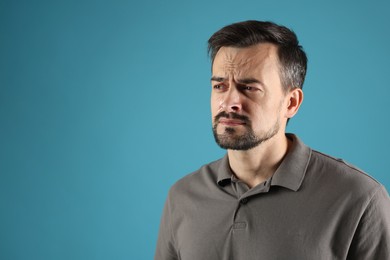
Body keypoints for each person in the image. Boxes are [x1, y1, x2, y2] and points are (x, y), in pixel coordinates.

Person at [155, 20, 390, 260]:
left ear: (291, 103)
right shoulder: (183, 196)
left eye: (248, 87)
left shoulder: (360, 198)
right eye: (219, 86)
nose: (228, 102)